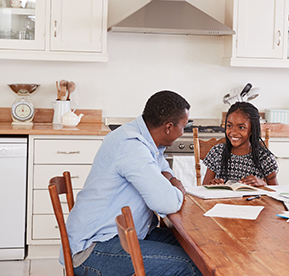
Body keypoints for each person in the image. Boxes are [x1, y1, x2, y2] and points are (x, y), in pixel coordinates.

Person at [63, 90, 202, 276]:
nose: (182, 132)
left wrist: (171, 181)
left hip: (129, 234)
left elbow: (165, 172)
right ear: (168, 127)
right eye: (183, 127)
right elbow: (166, 202)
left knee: (199, 249)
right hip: (93, 248)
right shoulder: (131, 146)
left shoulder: (145, 139)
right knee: (189, 265)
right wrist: (177, 186)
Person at [202, 102, 279, 187]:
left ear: (252, 129)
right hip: (222, 200)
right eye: (229, 125)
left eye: (241, 127)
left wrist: (263, 184)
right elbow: (204, 187)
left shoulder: (264, 157)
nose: (233, 132)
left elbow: (275, 191)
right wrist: (212, 184)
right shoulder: (217, 152)